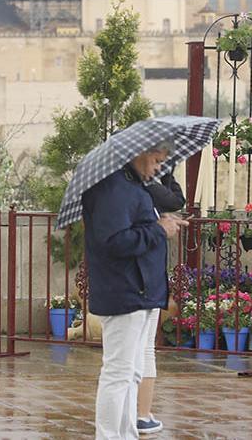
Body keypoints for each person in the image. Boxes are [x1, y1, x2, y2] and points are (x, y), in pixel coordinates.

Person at [83, 140, 184, 440]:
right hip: (125, 291)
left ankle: (125, 433)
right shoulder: (113, 188)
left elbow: (133, 227)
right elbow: (114, 241)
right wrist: (158, 229)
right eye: (155, 161)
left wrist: (160, 222)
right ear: (139, 155)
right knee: (118, 373)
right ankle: (111, 435)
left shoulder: (132, 184)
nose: (157, 169)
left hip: (140, 292)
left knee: (131, 373)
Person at [136, 168, 185, 436]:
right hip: (140, 284)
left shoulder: (141, 187)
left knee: (141, 350)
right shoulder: (136, 189)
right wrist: (160, 229)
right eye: (156, 160)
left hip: (148, 283)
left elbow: (175, 200)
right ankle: (140, 415)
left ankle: (142, 413)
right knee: (137, 352)